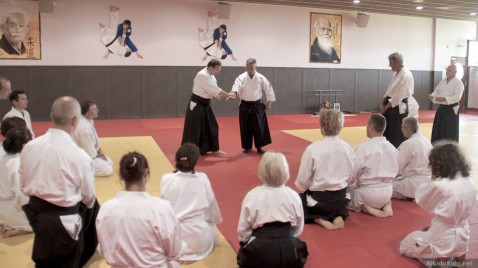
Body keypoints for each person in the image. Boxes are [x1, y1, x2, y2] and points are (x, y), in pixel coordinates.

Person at [20, 96, 99, 267]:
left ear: (51, 116)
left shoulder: (30, 146)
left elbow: (23, 182)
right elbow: (89, 198)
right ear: (75, 121)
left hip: (35, 213)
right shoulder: (79, 156)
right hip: (65, 220)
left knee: (44, 259)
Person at [96, 151, 184, 268]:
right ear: (146, 174)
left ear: (120, 175)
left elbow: (103, 250)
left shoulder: (106, 209)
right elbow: (175, 251)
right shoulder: (162, 209)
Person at [400, 141, 477, 262]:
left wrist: (433, 178)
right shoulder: (470, 183)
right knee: (440, 236)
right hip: (463, 233)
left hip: (444, 236)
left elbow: (422, 199)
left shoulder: (442, 186)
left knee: (406, 245)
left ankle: (438, 261)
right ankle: (458, 258)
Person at [238, 151, 308, 268]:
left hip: (260, 251)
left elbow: (243, 231)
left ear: (262, 172)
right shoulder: (293, 195)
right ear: (286, 172)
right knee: (299, 253)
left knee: (244, 259)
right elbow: (298, 229)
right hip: (288, 250)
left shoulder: (252, 195)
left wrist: (246, 244)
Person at [160, 143, 222, 261]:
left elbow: (163, 209)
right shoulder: (202, 178)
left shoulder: (167, 179)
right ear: (195, 161)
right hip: (198, 237)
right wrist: (214, 221)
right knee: (210, 226)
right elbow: (211, 206)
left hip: (173, 237)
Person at [295, 109, 354, 230]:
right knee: (338, 202)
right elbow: (352, 177)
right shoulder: (348, 148)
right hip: (342, 199)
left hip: (320, 201)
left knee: (298, 199)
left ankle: (318, 217)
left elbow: (302, 181)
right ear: (341, 126)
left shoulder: (313, 149)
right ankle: (338, 214)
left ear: (321, 126)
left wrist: (308, 187)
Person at [181, 59, 235, 156]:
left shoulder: (212, 76)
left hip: (205, 104)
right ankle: (190, 151)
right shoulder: (202, 75)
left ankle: (215, 149)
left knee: (212, 125)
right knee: (194, 128)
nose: (218, 71)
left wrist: (226, 96)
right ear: (211, 67)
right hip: (196, 103)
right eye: (217, 69)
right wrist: (227, 94)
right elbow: (213, 89)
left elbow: (214, 91)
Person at [347, 114, 398, 217]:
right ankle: (386, 204)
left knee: (344, 194)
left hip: (367, 194)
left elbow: (352, 173)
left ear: (371, 127)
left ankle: (365, 207)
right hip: (388, 191)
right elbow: (397, 171)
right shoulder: (393, 148)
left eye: (367, 125)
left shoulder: (363, 147)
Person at [230, 58, 275, 154]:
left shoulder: (261, 77)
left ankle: (259, 147)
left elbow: (268, 88)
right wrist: (234, 93)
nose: (250, 70)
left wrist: (269, 101)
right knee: (245, 127)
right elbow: (236, 85)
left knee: (259, 127)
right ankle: (247, 147)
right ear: (246, 67)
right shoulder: (241, 77)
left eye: (252, 68)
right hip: (244, 105)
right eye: (248, 68)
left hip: (257, 105)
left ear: (256, 67)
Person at [0, 128, 32, 238]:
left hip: (2, 206)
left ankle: (6, 223)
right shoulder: (17, 164)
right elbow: (20, 195)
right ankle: (15, 230)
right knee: (43, 221)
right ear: (24, 145)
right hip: (12, 208)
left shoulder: (4, 158)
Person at [392, 117, 432, 199]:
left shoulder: (408, 144)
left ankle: (409, 196)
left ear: (406, 129)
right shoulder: (427, 141)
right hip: (427, 183)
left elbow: (396, 166)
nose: (402, 130)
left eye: (402, 128)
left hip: (412, 184)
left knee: (384, 188)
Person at [72, 100, 113, 177]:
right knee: (108, 170)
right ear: (87, 114)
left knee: (109, 161)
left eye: (96, 108)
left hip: (87, 152)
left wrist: (100, 152)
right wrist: (97, 156)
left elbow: (92, 142)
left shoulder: (88, 120)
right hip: (80, 157)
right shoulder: (84, 129)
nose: (98, 110)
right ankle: (80, 170)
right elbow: (89, 152)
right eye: (94, 110)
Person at [381, 52, 414, 148]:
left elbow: (399, 95)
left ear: (397, 62)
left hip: (398, 105)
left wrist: (386, 106)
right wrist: (383, 102)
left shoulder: (406, 74)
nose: (389, 65)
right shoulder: (396, 74)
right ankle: (388, 148)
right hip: (390, 103)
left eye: (391, 63)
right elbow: (389, 90)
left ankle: (397, 149)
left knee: (396, 129)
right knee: (388, 128)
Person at [429, 64, 464, 143]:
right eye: (447, 70)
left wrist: (445, 98)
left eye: (449, 70)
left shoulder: (458, 83)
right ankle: (437, 144)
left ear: (455, 72)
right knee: (438, 128)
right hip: (442, 108)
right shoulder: (443, 81)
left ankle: (449, 147)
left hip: (451, 109)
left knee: (449, 129)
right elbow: (437, 91)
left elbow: (456, 97)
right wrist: (432, 96)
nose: (447, 72)